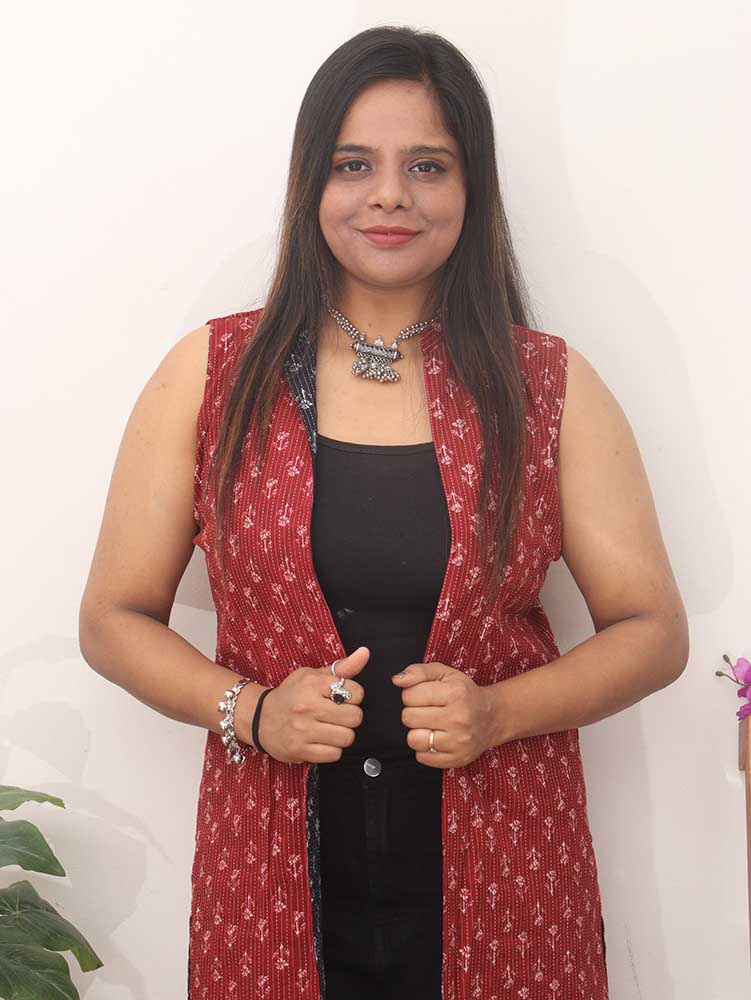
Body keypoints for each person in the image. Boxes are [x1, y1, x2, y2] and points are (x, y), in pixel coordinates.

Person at [78, 24, 688, 1000]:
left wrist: (497, 712)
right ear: (310, 183)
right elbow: (112, 617)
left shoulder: (545, 386)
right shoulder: (213, 375)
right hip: (270, 876)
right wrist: (252, 710)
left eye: (427, 166)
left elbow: (651, 629)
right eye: (353, 163)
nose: (390, 194)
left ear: (472, 187)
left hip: (508, 875)